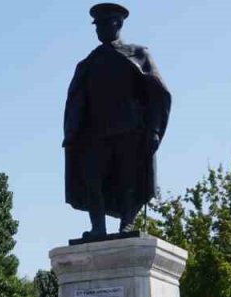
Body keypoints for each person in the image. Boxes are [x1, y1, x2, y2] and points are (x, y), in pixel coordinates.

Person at [63, 2, 171, 240]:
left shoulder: (138, 54)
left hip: (129, 130)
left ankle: (127, 224)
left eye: (105, 24)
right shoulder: (89, 62)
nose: (99, 29)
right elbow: (77, 100)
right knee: (92, 180)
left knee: (128, 179)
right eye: (97, 26)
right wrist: (72, 132)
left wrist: (153, 130)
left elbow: (158, 94)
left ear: (118, 24)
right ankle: (98, 228)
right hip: (95, 133)